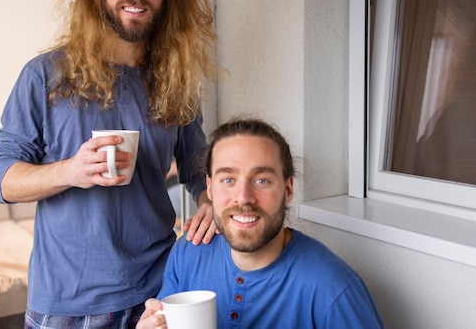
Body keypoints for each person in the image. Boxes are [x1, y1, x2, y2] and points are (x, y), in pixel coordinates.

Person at [0, 0, 218, 329]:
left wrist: (210, 202)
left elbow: (197, 165)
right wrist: (71, 171)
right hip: (66, 303)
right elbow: (2, 178)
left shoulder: (175, 79)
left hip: (159, 290)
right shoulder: (45, 75)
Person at [137, 117, 385, 329]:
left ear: (288, 189)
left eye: (261, 181)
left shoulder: (333, 289)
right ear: (209, 187)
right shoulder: (187, 254)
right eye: (228, 180)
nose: (243, 198)